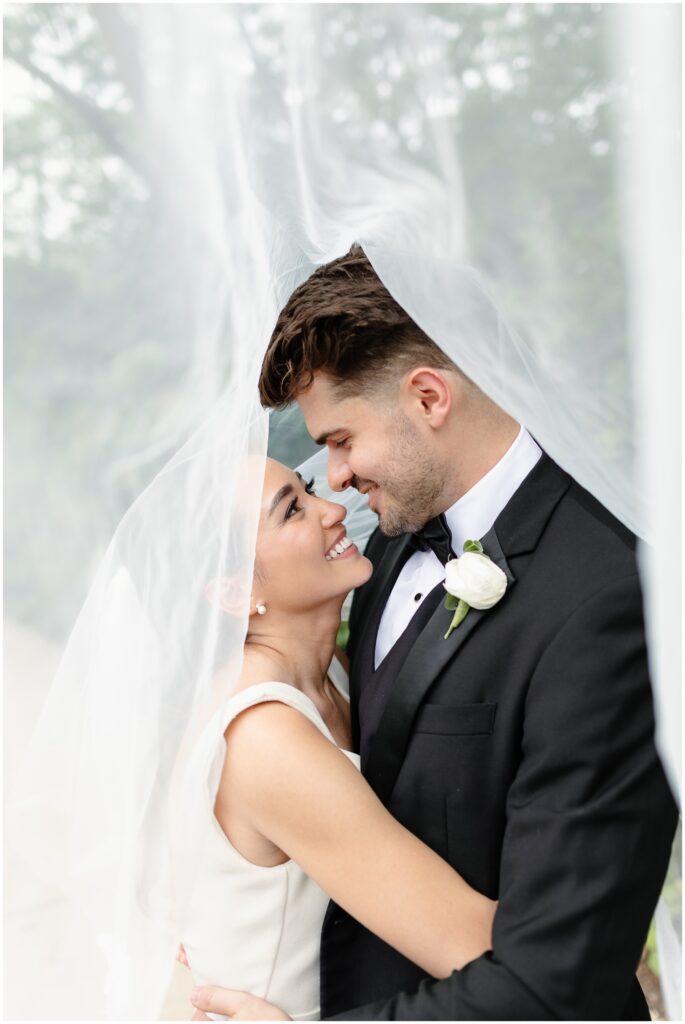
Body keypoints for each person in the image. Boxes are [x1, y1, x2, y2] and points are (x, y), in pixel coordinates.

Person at [189, 246, 677, 1021]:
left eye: (340, 441)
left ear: (427, 397)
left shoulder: (604, 597)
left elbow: (560, 977)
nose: (334, 481)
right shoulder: (391, 540)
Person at [179, 456, 497, 1021]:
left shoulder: (328, 670)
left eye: (306, 490)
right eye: (292, 511)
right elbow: (473, 944)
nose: (332, 510)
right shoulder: (264, 735)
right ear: (234, 593)